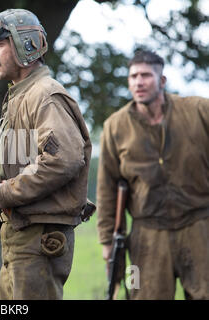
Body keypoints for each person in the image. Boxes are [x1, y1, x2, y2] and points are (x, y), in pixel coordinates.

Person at [0, 8, 93, 300]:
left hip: (38, 239)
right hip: (21, 235)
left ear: (26, 44)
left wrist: (4, 193)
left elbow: (62, 159)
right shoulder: (21, 95)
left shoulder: (44, 96)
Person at [97, 49, 209, 299]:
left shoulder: (199, 111)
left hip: (200, 226)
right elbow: (106, 187)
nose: (139, 82)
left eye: (146, 75)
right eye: (133, 76)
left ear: (162, 81)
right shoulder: (115, 126)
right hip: (146, 235)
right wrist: (107, 241)